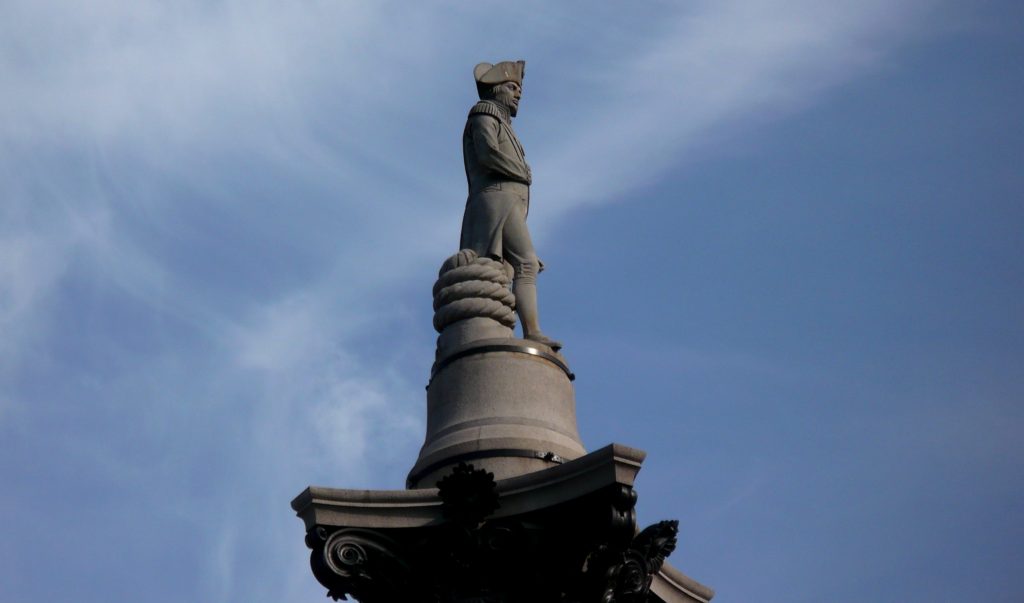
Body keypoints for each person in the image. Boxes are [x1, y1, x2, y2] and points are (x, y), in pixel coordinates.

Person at [459, 60, 561, 351]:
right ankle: (533, 333)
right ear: (495, 89)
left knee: (508, 272)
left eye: (519, 89)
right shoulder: (484, 113)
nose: (518, 94)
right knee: (526, 263)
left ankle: (510, 333)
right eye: (512, 87)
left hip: (507, 202)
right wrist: (520, 172)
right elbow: (488, 153)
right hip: (497, 198)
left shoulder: (503, 123)